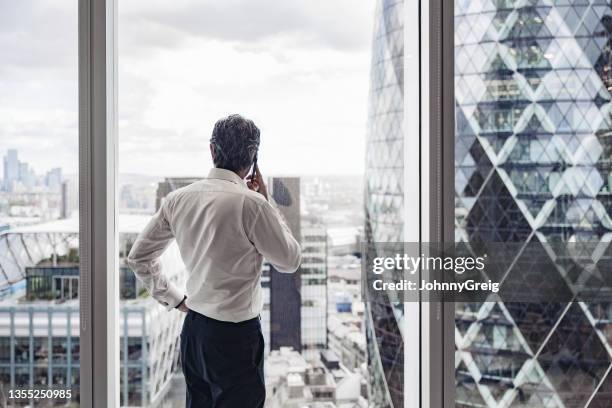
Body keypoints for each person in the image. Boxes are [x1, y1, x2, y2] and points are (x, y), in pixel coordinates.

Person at [127, 114, 301, 408]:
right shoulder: (252, 203)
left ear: (212, 150)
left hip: (195, 331)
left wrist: (175, 299)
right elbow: (289, 260)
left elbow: (139, 257)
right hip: (236, 337)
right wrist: (267, 202)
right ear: (252, 158)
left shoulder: (178, 199)